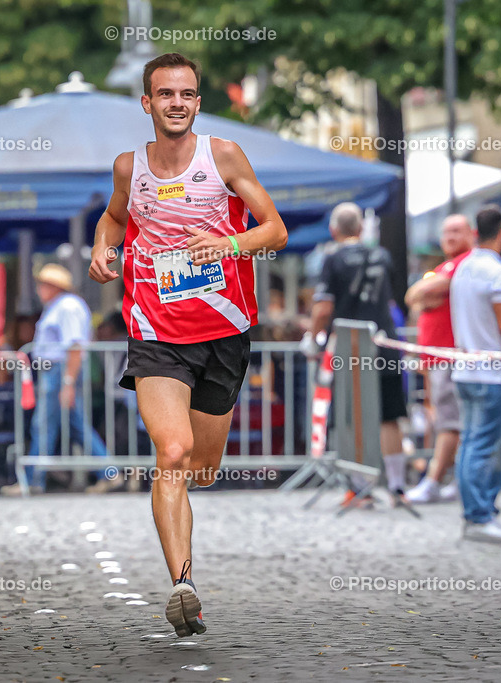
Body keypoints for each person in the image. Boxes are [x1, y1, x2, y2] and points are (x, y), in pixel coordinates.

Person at [87, 53, 287, 636]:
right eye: (165, 94)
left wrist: (229, 245)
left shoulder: (223, 155)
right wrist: (103, 247)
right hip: (155, 331)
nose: (177, 103)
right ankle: (183, 585)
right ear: (146, 103)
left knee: (201, 467)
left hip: (223, 331)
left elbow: (274, 229)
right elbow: (114, 218)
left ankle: (187, 523)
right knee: (172, 453)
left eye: (187, 94)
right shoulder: (129, 167)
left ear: (198, 102)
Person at [305, 202, 410, 506]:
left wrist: (313, 339)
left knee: (351, 415)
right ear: (361, 228)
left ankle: (358, 488)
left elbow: (323, 308)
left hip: (349, 346)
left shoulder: (332, 258)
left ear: (333, 230)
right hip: (384, 341)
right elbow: (392, 300)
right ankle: (397, 487)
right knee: (389, 416)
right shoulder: (382, 255)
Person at [0, 264, 114, 496]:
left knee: (43, 424)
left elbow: (74, 346)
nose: (39, 289)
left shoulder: (67, 307)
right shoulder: (61, 306)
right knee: (75, 424)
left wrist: (68, 382)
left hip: (60, 370)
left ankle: (33, 480)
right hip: (59, 370)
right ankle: (109, 472)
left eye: (43, 284)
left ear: (54, 286)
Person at [451, 205, 501, 542]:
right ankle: (479, 515)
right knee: (484, 446)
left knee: (470, 443)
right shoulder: (498, 272)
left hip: (467, 370)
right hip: (493, 373)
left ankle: (476, 513)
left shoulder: (463, 267)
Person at [403, 214, 474, 504]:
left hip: (449, 356)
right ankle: (457, 481)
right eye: (446, 232)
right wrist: (424, 296)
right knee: (447, 421)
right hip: (438, 358)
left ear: (472, 233)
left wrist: (424, 296)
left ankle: (434, 481)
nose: (450, 237)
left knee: (450, 423)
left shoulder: (463, 264)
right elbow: (418, 298)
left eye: (457, 231)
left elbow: (419, 294)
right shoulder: (447, 266)